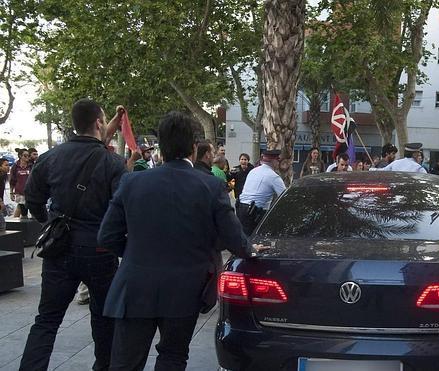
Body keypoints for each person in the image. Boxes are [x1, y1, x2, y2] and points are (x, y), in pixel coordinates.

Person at [98, 111, 258, 371]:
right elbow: (235, 240)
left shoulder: (132, 182)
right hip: (184, 290)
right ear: (193, 148)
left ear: (161, 145)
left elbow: (106, 236)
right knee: (173, 357)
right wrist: (251, 250)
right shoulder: (210, 187)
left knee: (125, 363)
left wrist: (137, 253)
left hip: (135, 286)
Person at [20, 99, 127, 371]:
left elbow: (32, 198)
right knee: (105, 319)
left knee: (46, 320)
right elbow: (122, 210)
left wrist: (51, 223)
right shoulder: (112, 162)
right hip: (99, 249)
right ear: (98, 123)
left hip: (59, 248)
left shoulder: (50, 157)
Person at [237, 150, 286, 235]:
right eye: (278, 160)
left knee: (243, 239)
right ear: (274, 161)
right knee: (256, 241)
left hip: (241, 208)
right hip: (255, 213)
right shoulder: (274, 177)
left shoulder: (253, 171)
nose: (278, 163)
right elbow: (285, 197)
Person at [10, 148, 32, 218]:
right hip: (20, 193)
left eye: (28, 156)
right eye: (25, 156)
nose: (27, 157)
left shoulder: (31, 166)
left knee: (34, 212)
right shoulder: (15, 166)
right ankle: (21, 227)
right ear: (20, 156)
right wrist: (11, 192)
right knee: (24, 213)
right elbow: (12, 180)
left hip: (31, 193)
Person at [0, 158, 9, 230]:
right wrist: (0, 202)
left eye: (8, 165)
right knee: (2, 225)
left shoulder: (3, 176)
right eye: (6, 165)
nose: (8, 167)